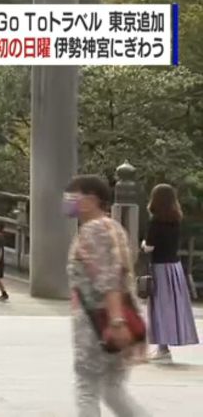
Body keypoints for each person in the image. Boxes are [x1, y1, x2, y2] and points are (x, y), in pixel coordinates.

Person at [64, 175, 149, 417]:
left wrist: (116, 320)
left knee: (87, 388)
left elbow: (109, 279)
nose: (68, 202)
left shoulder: (93, 230)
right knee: (112, 390)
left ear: (90, 200)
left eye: (73, 197)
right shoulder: (114, 228)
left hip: (98, 322)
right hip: (117, 317)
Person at [142, 184, 199, 362]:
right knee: (171, 308)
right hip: (174, 268)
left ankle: (162, 348)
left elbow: (149, 247)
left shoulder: (155, 222)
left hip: (160, 268)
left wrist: (143, 244)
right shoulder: (176, 220)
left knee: (159, 307)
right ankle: (163, 347)